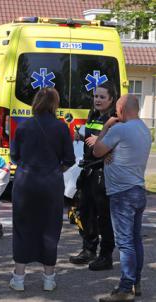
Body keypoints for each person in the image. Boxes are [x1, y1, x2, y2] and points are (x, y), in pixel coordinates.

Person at [9, 88, 75, 291]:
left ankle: (19, 279)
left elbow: (14, 156)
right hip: (51, 184)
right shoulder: (61, 127)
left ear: (36, 103)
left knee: (22, 228)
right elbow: (69, 160)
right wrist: (54, 168)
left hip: (25, 183)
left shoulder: (23, 126)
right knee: (50, 229)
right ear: (54, 104)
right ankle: (48, 279)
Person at [93, 94, 151, 302]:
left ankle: (125, 289)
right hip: (138, 190)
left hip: (122, 193)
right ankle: (136, 282)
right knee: (135, 240)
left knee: (125, 243)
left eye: (117, 111)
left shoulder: (119, 129)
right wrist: (113, 151)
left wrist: (106, 126)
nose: (116, 114)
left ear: (123, 109)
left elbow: (97, 150)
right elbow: (119, 151)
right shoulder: (144, 130)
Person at [69, 82, 117, 271]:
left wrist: (101, 139)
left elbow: (117, 142)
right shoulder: (93, 115)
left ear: (111, 100)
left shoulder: (114, 119)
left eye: (102, 97)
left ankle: (106, 256)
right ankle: (89, 250)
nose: (97, 100)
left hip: (102, 172)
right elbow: (90, 138)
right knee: (85, 211)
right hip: (88, 170)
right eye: (96, 96)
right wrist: (80, 136)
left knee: (103, 216)